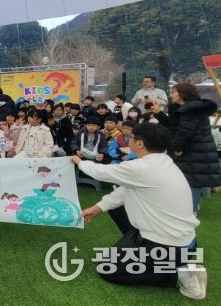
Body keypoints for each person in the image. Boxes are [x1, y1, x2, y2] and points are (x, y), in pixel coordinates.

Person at [73, 124, 205, 299]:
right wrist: (96, 208)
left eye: (131, 137)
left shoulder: (142, 167)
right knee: (115, 208)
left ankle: (180, 275)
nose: (129, 140)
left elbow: (101, 172)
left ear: (140, 143)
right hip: (182, 242)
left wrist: (79, 162)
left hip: (168, 246)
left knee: (107, 269)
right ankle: (149, 252)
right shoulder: (165, 162)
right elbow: (126, 190)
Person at [165, 82, 220, 214]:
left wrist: (177, 148)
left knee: (191, 182)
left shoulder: (190, 110)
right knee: (189, 181)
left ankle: (191, 211)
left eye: (174, 92)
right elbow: (174, 127)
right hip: (196, 149)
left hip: (194, 150)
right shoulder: (188, 108)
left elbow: (184, 132)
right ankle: (191, 208)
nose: (171, 95)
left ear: (183, 94)